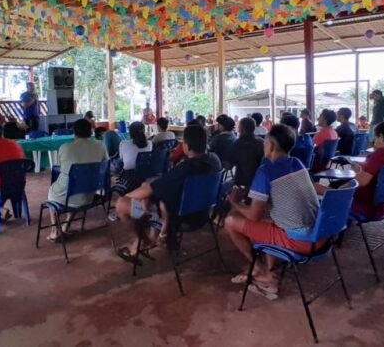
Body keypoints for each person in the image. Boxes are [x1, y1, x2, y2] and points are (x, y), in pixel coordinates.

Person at [224, 124, 327, 299]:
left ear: (271, 146)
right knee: (268, 219)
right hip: (321, 234)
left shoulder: (265, 171)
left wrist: (234, 203)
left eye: (265, 142)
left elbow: (253, 215)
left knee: (231, 221)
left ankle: (261, 270)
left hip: (299, 241)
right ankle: (268, 270)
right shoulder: (298, 163)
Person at [115, 124, 222, 262]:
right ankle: (149, 239)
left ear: (187, 146)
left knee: (122, 205)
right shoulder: (214, 160)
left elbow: (150, 189)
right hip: (203, 213)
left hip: (178, 218)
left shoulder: (185, 168)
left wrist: (126, 196)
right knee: (155, 198)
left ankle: (142, 241)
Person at [46, 118, 108, 240]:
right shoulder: (100, 146)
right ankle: (66, 225)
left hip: (69, 195)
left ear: (74, 132)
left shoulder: (66, 147)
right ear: (91, 131)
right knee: (75, 184)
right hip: (89, 195)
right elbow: (105, 166)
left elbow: (63, 167)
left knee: (53, 190)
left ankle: (55, 231)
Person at [112, 122, 153, 197]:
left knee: (113, 166)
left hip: (128, 179)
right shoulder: (150, 143)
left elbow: (122, 159)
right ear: (144, 131)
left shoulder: (123, 143)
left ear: (130, 132)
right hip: (145, 176)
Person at [227, 117, 265, 191]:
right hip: (259, 180)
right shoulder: (261, 142)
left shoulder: (237, 143)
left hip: (241, 181)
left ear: (241, 128)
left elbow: (230, 163)